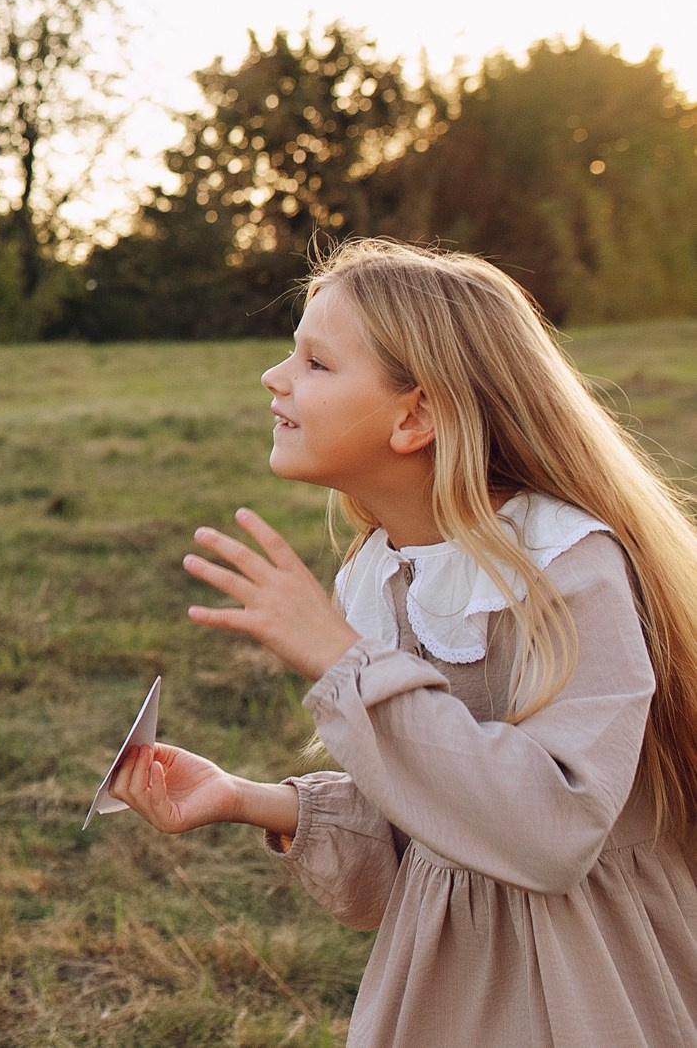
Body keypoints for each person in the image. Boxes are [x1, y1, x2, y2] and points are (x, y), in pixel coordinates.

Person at [109, 238, 697, 1048]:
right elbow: (435, 811)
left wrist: (342, 658)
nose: (275, 377)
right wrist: (247, 797)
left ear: (415, 414)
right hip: (441, 985)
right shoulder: (381, 575)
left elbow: (552, 829)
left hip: (585, 977)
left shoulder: (568, 566)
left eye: (316, 362)